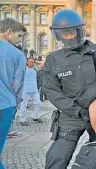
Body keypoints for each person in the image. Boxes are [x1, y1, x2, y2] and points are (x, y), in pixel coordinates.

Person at [43, 9, 96, 169]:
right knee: (57, 156)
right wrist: (77, 111)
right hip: (72, 116)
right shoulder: (53, 59)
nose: (69, 36)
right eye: (64, 33)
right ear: (58, 35)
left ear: (79, 30)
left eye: (71, 32)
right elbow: (52, 91)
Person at [0, 18, 26, 169]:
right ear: (9, 32)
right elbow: (18, 84)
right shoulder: (17, 54)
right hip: (6, 104)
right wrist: (17, 101)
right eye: (19, 36)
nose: (20, 41)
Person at [19, 58, 43, 126]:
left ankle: (36, 117)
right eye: (30, 62)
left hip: (34, 90)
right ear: (27, 62)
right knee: (24, 105)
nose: (32, 63)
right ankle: (22, 120)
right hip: (25, 90)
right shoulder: (24, 69)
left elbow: (42, 64)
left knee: (37, 103)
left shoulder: (35, 69)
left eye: (33, 62)